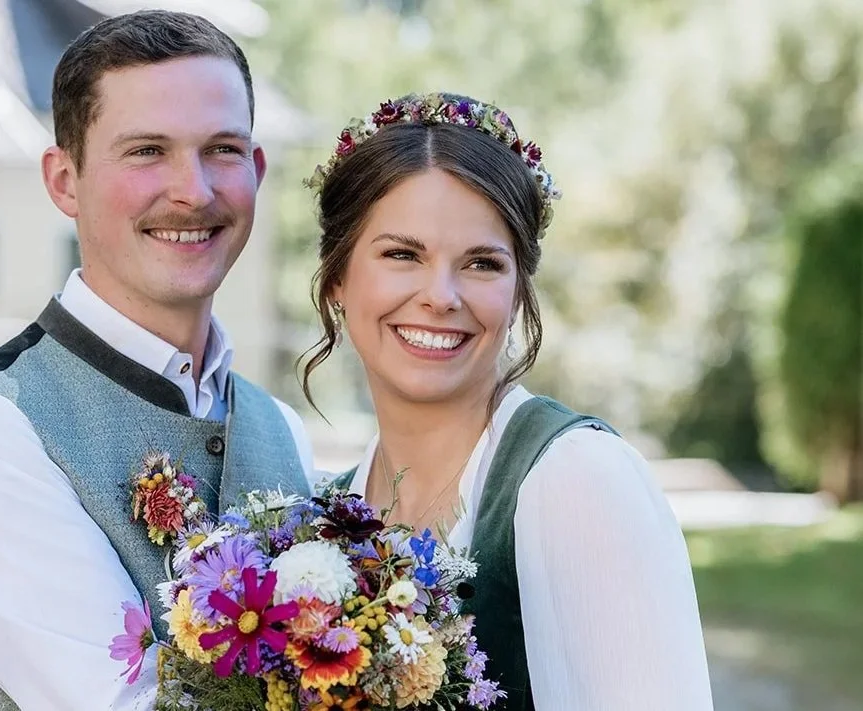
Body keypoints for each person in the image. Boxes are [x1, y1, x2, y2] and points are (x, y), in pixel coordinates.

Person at [0, 11, 313, 711]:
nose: (194, 190)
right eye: (147, 150)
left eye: (222, 150)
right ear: (64, 181)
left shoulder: (282, 430)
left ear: (256, 172)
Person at [301, 93, 713, 710]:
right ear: (337, 277)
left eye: (482, 264)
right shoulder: (324, 512)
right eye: (402, 254)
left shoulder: (576, 480)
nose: (440, 296)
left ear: (518, 291)